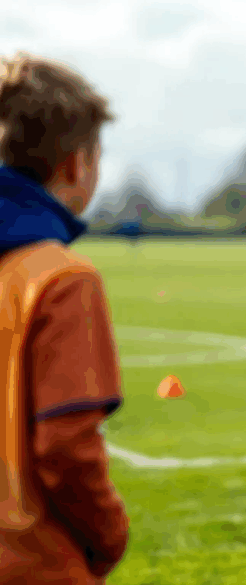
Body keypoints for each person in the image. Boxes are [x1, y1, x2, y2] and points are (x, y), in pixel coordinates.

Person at [0, 52, 130, 583]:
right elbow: (65, 447)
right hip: (35, 562)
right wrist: (110, 534)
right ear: (78, 163)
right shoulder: (60, 278)